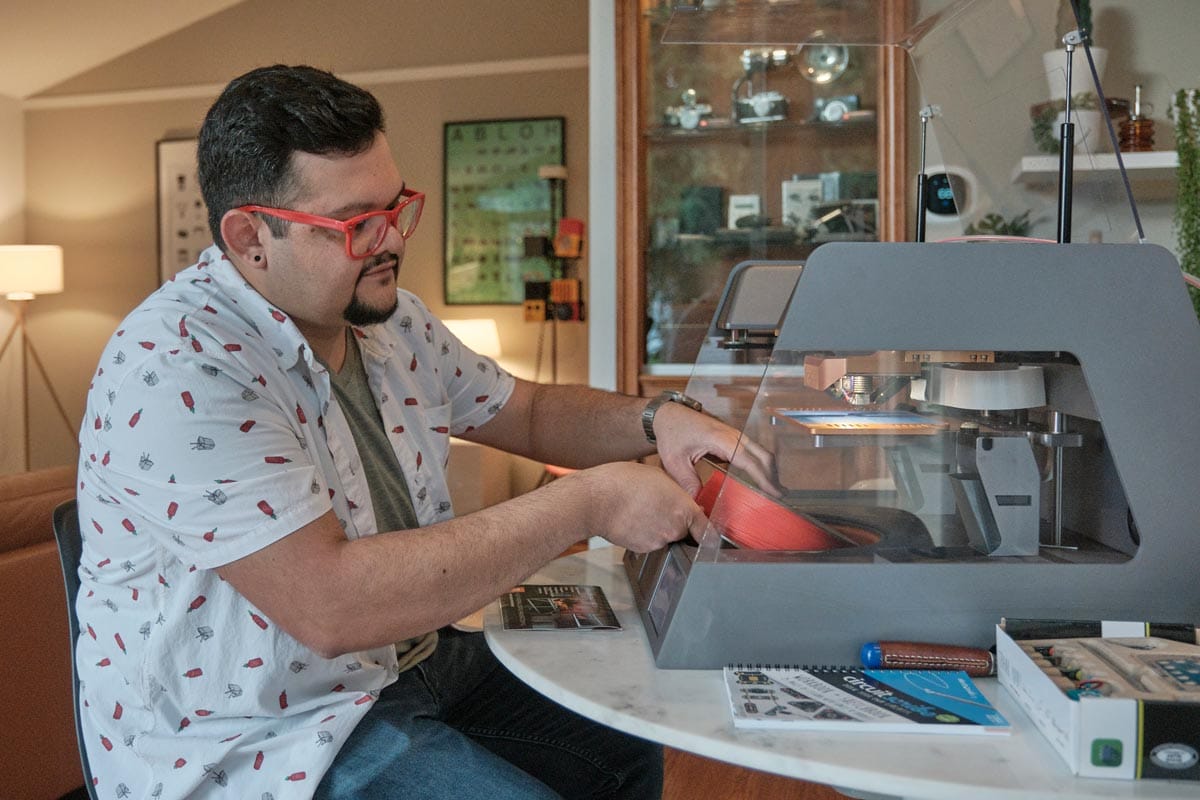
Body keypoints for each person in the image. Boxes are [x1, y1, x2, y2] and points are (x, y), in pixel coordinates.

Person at [74, 64, 773, 800]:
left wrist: (658, 420)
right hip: (256, 739)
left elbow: (528, 411)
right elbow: (332, 605)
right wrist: (590, 504)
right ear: (251, 236)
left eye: (395, 206)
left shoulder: (390, 320)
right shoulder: (178, 366)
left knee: (626, 738)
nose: (390, 241)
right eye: (354, 224)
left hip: (404, 664)